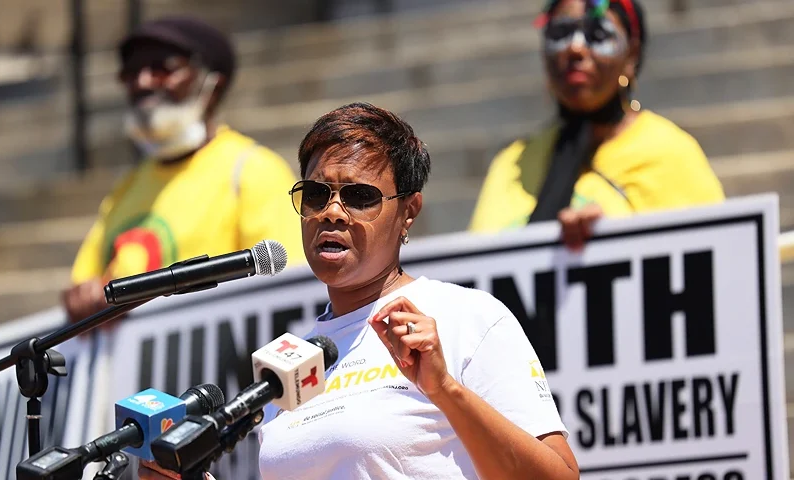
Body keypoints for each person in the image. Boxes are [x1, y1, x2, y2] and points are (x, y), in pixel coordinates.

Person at [139, 103, 578, 479]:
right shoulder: (290, 360)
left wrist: (445, 388)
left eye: (360, 196)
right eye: (316, 194)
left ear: (409, 212)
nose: (332, 212)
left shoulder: (466, 317)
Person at [62, 16, 305, 322]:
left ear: (212, 85)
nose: (142, 82)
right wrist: (84, 298)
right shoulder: (127, 187)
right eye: (130, 73)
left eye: (163, 69)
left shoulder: (253, 171)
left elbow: (285, 290)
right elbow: (82, 287)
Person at [469, 0, 725, 250]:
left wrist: (610, 247)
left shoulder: (669, 153)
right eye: (561, 33)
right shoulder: (512, 163)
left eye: (598, 35)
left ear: (631, 55)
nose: (575, 48)